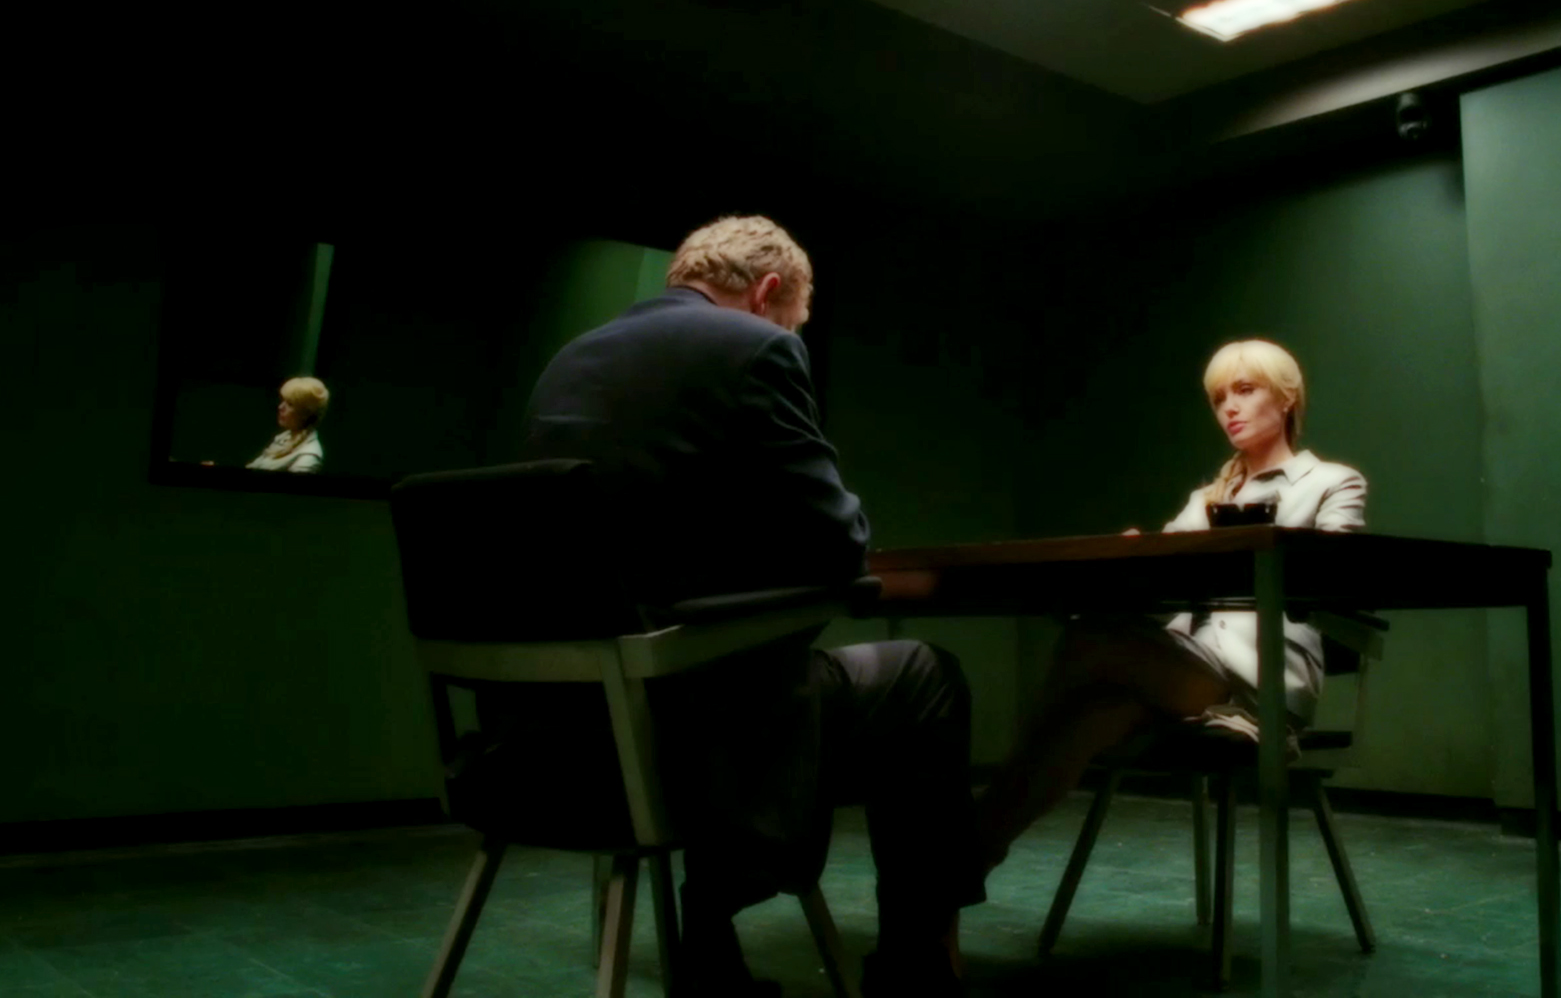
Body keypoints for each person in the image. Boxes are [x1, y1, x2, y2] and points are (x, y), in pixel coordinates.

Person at [523, 216, 982, 998]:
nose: (791, 334)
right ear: (768, 293)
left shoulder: (569, 360)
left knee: (748, 668)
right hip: (696, 727)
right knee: (921, 674)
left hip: (564, 735)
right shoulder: (756, 346)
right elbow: (837, 540)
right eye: (794, 320)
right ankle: (913, 969)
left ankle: (712, 938)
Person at [974, 339, 1367, 870]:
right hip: (1192, 673)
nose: (1229, 408)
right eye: (1219, 398)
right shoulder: (1209, 499)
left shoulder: (1331, 483)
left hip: (1260, 684)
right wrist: (1139, 557)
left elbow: (1338, 577)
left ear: (1286, 397)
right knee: (1088, 718)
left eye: (1244, 390)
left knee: (1090, 639)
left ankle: (960, 844)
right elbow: (1162, 582)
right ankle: (967, 858)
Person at [245, 377, 328, 473]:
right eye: (283, 401)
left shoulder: (308, 456)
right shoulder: (284, 438)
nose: (280, 407)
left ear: (305, 413)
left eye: (290, 404)